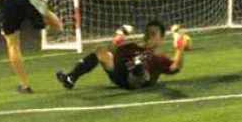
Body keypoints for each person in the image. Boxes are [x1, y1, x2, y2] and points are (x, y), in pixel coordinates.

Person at [55, 20, 185, 91]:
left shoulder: (159, 58)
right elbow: (111, 50)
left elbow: (175, 67)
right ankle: (71, 78)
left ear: (161, 40)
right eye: (148, 33)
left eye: (153, 35)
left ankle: (137, 71)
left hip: (140, 83)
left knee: (140, 63)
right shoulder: (133, 48)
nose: (149, 37)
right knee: (101, 51)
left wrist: (180, 48)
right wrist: (120, 36)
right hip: (122, 77)